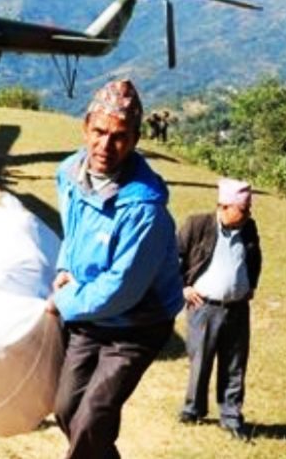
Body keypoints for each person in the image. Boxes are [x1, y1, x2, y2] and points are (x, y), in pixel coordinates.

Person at [47, 79, 184, 459]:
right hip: (89, 314)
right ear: (85, 127)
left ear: (136, 139)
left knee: (93, 415)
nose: (106, 145)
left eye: (120, 136)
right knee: (67, 409)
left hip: (137, 324)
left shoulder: (144, 211)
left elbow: (121, 289)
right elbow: (72, 232)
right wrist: (64, 267)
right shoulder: (70, 174)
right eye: (99, 132)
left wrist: (63, 298)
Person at [177, 178, 262, 440]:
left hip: (237, 308)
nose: (247, 214)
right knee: (200, 360)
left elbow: (255, 257)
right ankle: (193, 409)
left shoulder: (248, 228)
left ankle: (231, 416)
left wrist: (250, 285)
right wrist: (183, 287)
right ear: (224, 206)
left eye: (248, 210)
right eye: (243, 209)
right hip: (204, 306)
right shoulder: (198, 225)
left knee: (235, 364)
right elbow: (172, 258)